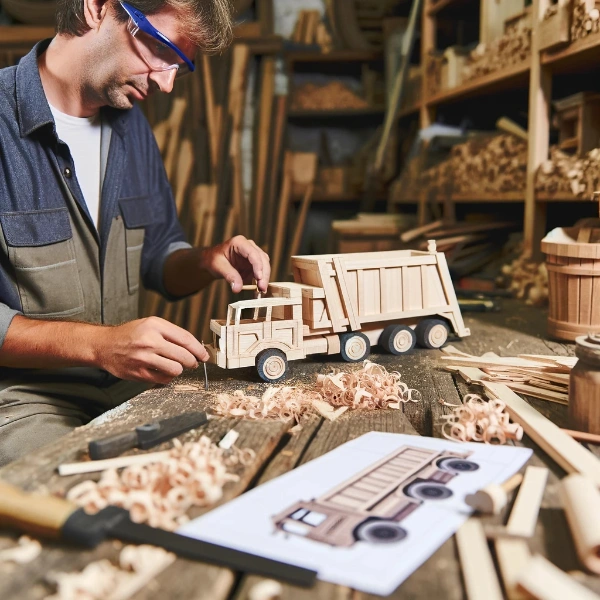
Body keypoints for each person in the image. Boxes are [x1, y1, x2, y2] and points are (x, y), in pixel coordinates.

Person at [0, 0, 270, 466]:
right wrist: (103, 346)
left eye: (179, 68)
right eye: (161, 49)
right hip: (22, 402)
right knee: (84, 493)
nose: (165, 82)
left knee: (234, 458)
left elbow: (159, 257)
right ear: (97, 9)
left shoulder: (130, 127)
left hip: (125, 386)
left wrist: (205, 259)